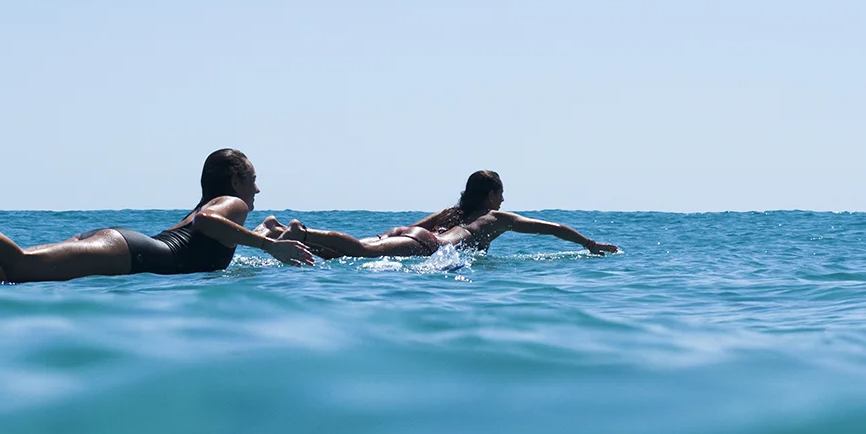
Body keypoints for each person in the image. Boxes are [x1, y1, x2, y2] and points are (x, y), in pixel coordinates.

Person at [0, 149, 314, 282]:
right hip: (129, 252)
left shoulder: (212, 207)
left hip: (123, 244)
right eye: (252, 180)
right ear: (233, 183)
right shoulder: (227, 206)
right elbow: (211, 226)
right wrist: (271, 246)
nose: (257, 189)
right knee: (20, 265)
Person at [255, 170, 619, 259]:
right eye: (501, 194)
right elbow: (552, 228)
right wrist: (589, 244)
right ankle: (302, 232)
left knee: (338, 256)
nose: (504, 201)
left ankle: (273, 232)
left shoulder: (452, 211)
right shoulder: (495, 219)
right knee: (361, 254)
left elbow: (411, 228)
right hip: (427, 245)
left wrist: (394, 237)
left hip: (408, 232)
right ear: (492, 195)